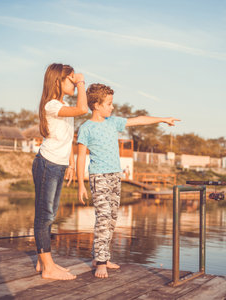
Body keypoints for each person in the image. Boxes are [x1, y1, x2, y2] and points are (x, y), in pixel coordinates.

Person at [76, 83, 179, 278]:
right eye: (109, 104)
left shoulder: (112, 122)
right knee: (103, 219)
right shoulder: (86, 128)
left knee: (112, 219)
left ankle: (102, 257)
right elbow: (81, 156)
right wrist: (81, 184)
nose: (112, 107)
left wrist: (163, 119)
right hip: (99, 178)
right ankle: (100, 262)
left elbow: (138, 120)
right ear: (96, 105)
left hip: (115, 176)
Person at [32, 63, 88, 280]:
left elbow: (68, 138)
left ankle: (42, 262)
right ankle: (48, 267)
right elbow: (83, 109)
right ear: (58, 81)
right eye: (70, 79)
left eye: (75, 80)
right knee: (44, 216)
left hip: (58, 164)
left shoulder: (62, 105)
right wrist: (82, 81)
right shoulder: (52, 105)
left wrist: (71, 163)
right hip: (47, 163)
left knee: (50, 215)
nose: (74, 83)